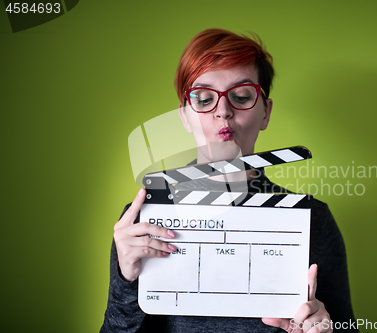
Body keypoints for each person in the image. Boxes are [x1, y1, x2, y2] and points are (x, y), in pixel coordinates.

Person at [101, 28, 357, 333]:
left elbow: (344, 327)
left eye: (241, 96)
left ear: (265, 112)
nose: (223, 111)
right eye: (204, 98)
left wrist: (324, 330)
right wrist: (125, 279)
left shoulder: (311, 219)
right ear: (184, 115)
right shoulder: (142, 222)